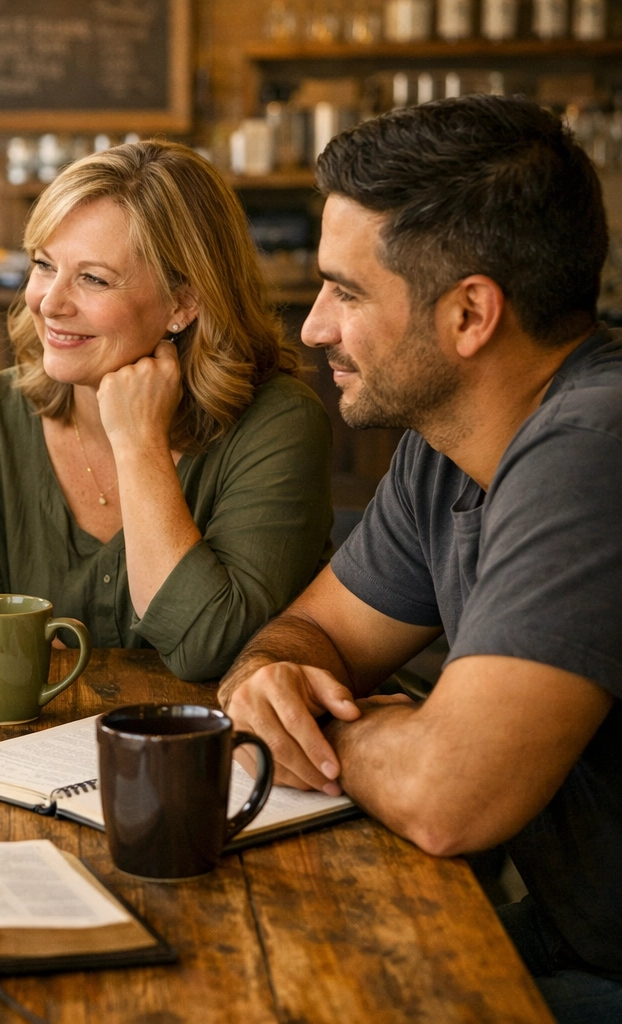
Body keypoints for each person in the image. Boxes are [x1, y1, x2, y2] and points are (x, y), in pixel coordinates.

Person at [217, 95, 621, 1022]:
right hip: (568, 934)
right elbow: (313, 630)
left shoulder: (594, 446)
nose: (314, 327)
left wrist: (330, 734)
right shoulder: (444, 450)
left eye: (346, 292)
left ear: (471, 312)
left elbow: (449, 797)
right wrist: (275, 679)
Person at [0, 141, 333, 682]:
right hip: (28, 756)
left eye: (93, 278)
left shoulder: (279, 423)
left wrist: (139, 444)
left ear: (183, 303)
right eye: (44, 265)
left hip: (216, 755)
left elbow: (210, 650)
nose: (49, 302)